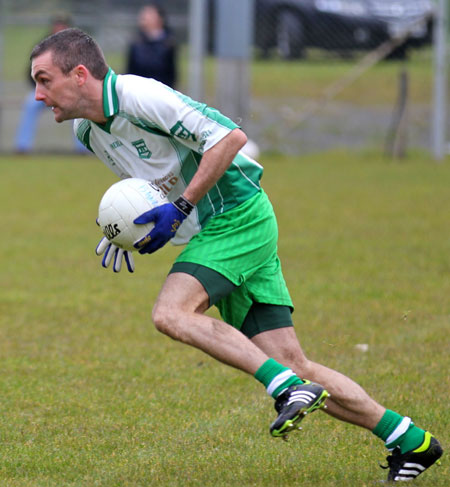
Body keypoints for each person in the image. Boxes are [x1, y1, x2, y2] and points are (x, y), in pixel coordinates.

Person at [30, 28, 443, 483]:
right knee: (294, 363)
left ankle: (284, 389)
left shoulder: (138, 95)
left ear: (81, 74)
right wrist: (121, 228)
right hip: (219, 230)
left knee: (170, 313)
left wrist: (183, 205)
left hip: (236, 216)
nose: (37, 94)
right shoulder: (87, 131)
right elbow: (148, 183)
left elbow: (229, 137)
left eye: (45, 80)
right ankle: (411, 440)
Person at [15, 13, 86, 154]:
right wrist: (42, 87)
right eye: (57, 25)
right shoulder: (42, 47)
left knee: (80, 110)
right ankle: (22, 147)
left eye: (63, 26)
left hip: (68, 92)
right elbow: (31, 72)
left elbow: (82, 73)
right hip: (46, 91)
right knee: (30, 104)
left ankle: (82, 149)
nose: (59, 28)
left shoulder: (77, 47)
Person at [126, 3, 177, 88]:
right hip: (139, 90)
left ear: (160, 19)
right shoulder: (136, 43)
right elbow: (130, 70)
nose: (144, 17)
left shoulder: (168, 44)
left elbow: (171, 73)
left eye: (149, 14)